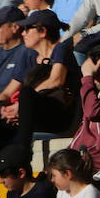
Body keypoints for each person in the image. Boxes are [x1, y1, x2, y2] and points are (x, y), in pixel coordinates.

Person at [13, 10, 80, 143]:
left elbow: (56, 80)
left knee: (26, 93)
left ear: (43, 31)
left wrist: (22, 103)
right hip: (38, 112)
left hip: (59, 114)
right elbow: (12, 88)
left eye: (27, 29)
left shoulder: (61, 49)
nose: (23, 33)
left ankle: (22, 147)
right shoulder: (31, 56)